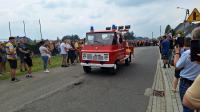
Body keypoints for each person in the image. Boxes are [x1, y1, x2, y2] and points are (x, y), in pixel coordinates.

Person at [175, 27, 200, 112]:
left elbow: (177, 66)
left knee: (187, 108)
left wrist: (177, 52)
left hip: (186, 83)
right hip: (196, 82)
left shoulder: (187, 53)